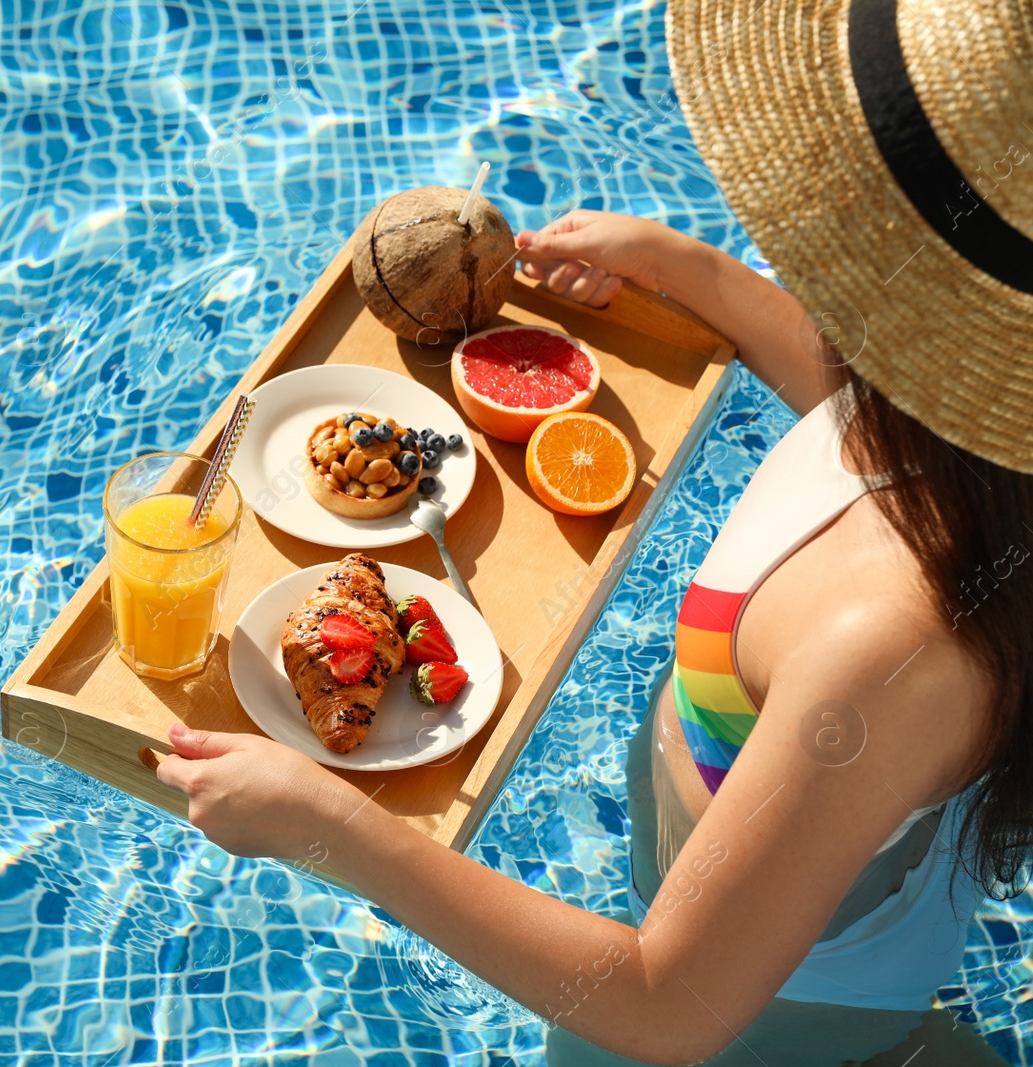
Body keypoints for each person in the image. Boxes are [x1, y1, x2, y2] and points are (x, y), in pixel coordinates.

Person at [153, 0, 1033, 1062]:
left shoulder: (888, 652)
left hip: (765, 1005)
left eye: (847, 229)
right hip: (789, 885)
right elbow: (864, 417)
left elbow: (665, 1002)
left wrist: (333, 830)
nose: (804, 227)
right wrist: (697, 275)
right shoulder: (976, 461)